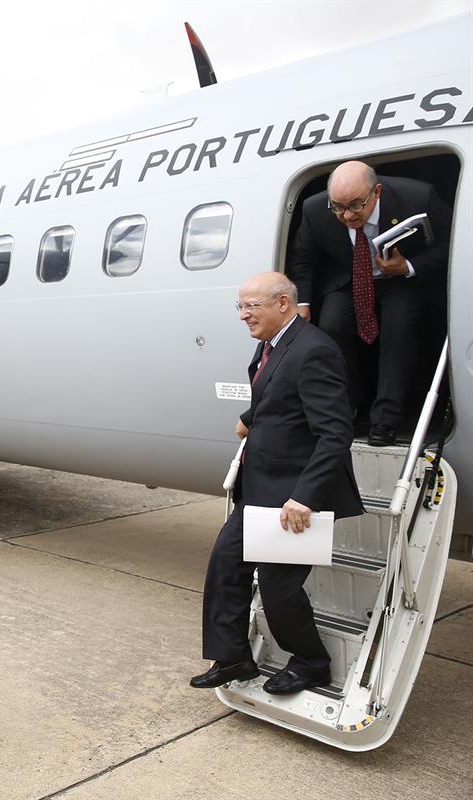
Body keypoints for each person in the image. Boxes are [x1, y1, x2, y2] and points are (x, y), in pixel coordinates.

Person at [190, 273, 363, 696]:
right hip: (260, 488)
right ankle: (234, 656)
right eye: (241, 306)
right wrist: (251, 418)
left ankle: (311, 662)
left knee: (278, 587)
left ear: (282, 303)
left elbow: (335, 432)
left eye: (252, 306)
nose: (244, 315)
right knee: (225, 566)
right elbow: (280, 396)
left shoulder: (313, 350)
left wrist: (305, 497)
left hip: (292, 494)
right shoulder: (273, 345)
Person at [286, 160, 452, 446]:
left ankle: (386, 419)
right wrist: (303, 302)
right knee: (331, 326)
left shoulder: (418, 196)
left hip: (400, 280)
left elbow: (453, 241)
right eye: (337, 207)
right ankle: (348, 407)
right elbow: (303, 257)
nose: (347, 215)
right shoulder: (315, 209)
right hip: (349, 279)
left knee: (399, 329)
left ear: (377, 192)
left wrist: (409, 265)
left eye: (355, 205)